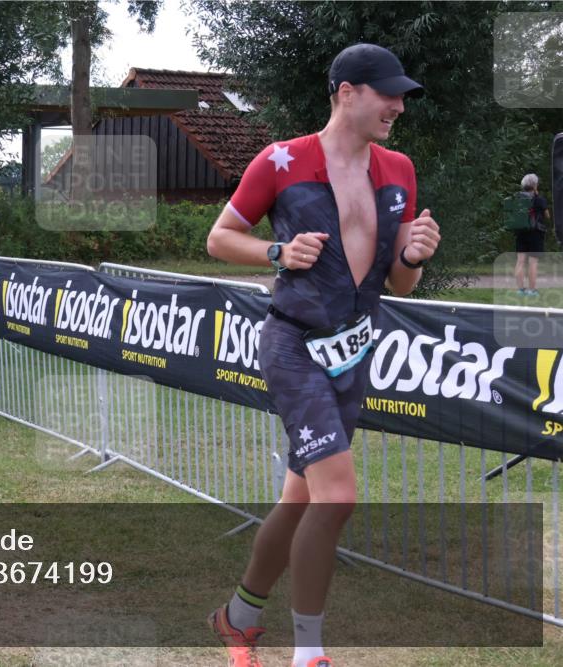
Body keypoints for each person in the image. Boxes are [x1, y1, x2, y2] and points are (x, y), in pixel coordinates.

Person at [205, 44, 440, 667]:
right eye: (386, 93)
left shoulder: (399, 170)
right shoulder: (283, 161)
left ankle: (237, 618)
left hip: (351, 355)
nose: (397, 106)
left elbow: (399, 283)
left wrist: (413, 256)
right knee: (337, 496)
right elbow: (219, 238)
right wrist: (277, 255)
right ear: (346, 92)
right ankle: (309, 655)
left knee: (302, 501)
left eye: (401, 96)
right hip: (293, 346)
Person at [512, 173, 550, 297]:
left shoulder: (517, 198)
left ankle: (520, 290)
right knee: (533, 262)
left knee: (520, 261)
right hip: (535, 233)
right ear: (534, 185)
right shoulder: (539, 200)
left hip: (520, 233)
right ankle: (532, 291)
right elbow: (547, 216)